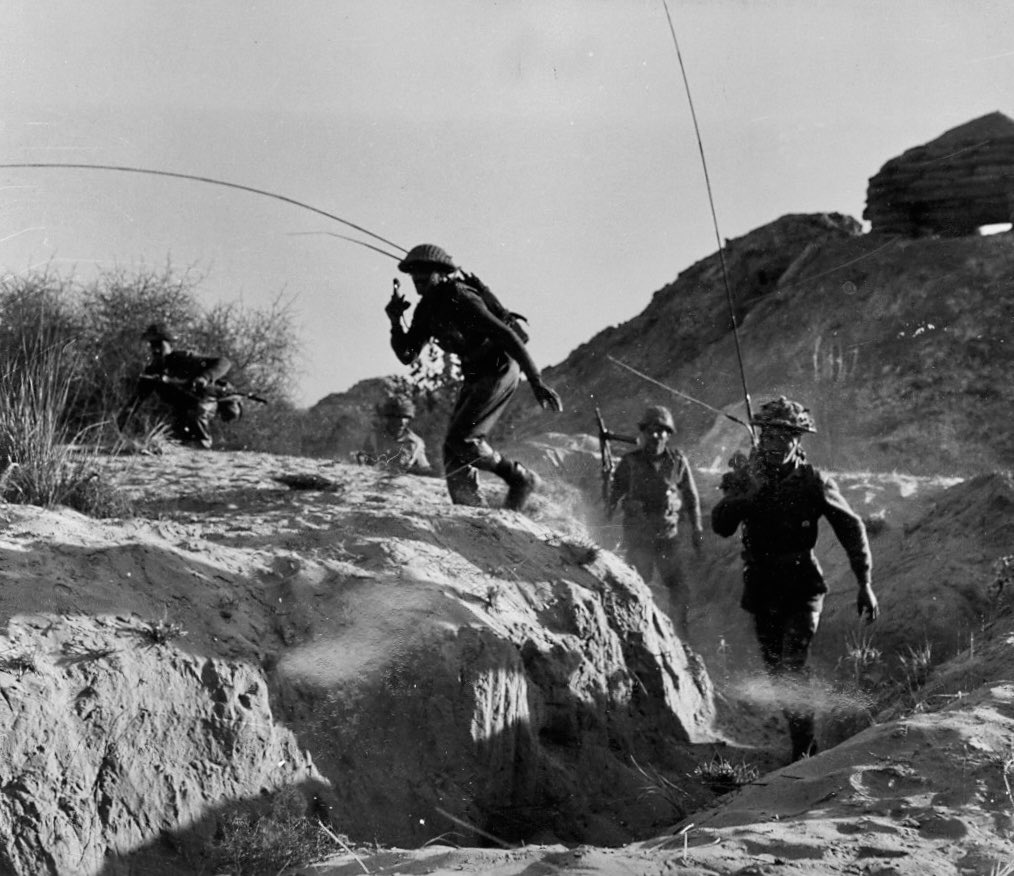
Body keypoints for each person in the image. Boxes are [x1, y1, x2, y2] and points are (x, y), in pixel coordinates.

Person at [711, 396, 879, 761]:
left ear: (797, 441)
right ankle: (800, 742)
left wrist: (864, 582)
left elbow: (852, 528)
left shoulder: (813, 482)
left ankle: (805, 751)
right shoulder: (746, 476)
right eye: (768, 436)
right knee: (777, 673)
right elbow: (720, 525)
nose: (773, 444)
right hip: (760, 586)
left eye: (783, 437)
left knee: (792, 665)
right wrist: (746, 494)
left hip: (802, 586)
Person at [385, 243, 563, 509]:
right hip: (475, 373)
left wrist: (536, 381)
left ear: (441, 272)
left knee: (463, 440)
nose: (418, 278)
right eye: (414, 273)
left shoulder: (460, 295)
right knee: (452, 448)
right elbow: (408, 355)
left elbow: (507, 335)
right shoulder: (426, 309)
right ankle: (471, 509)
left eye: (425, 272)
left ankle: (520, 478)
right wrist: (396, 320)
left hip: (500, 366)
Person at [607, 404, 704, 639]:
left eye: (662, 431)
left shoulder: (678, 461)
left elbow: (691, 496)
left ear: (668, 435)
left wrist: (697, 529)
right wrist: (607, 498)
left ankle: (681, 638)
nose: (656, 436)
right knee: (636, 587)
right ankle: (635, 635)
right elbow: (612, 496)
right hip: (639, 538)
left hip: (667, 536)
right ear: (643, 433)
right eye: (651, 430)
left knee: (679, 589)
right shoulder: (629, 462)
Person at [117, 323, 232, 450]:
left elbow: (224, 362)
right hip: (182, 411)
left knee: (197, 411)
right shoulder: (152, 371)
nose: (155, 349)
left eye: (159, 344)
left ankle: (204, 445)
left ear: (169, 344)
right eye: (152, 345)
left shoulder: (185, 359)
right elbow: (136, 400)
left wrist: (204, 377)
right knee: (174, 434)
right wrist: (121, 421)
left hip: (206, 402)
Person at [357, 394, 434, 475]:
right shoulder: (374, 437)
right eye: (397, 417)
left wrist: (408, 469)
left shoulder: (416, 443)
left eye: (405, 417)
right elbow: (363, 462)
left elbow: (425, 469)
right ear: (389, 418)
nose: (401, 422)